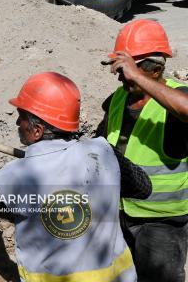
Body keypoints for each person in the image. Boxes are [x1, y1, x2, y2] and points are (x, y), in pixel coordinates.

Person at [0, 72, 152, 282]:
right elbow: (144, 188)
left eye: (21, 116)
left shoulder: (21, 173)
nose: (17, 122)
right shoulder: (103, 151)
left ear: (37, 131)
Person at [98, 19, 188, 282]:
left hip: (162, 224)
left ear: (154, 70)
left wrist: (136, 75)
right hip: (120, 215)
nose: (120, 77)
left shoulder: (176, 97)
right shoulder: (117, 99)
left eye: (125, 70)